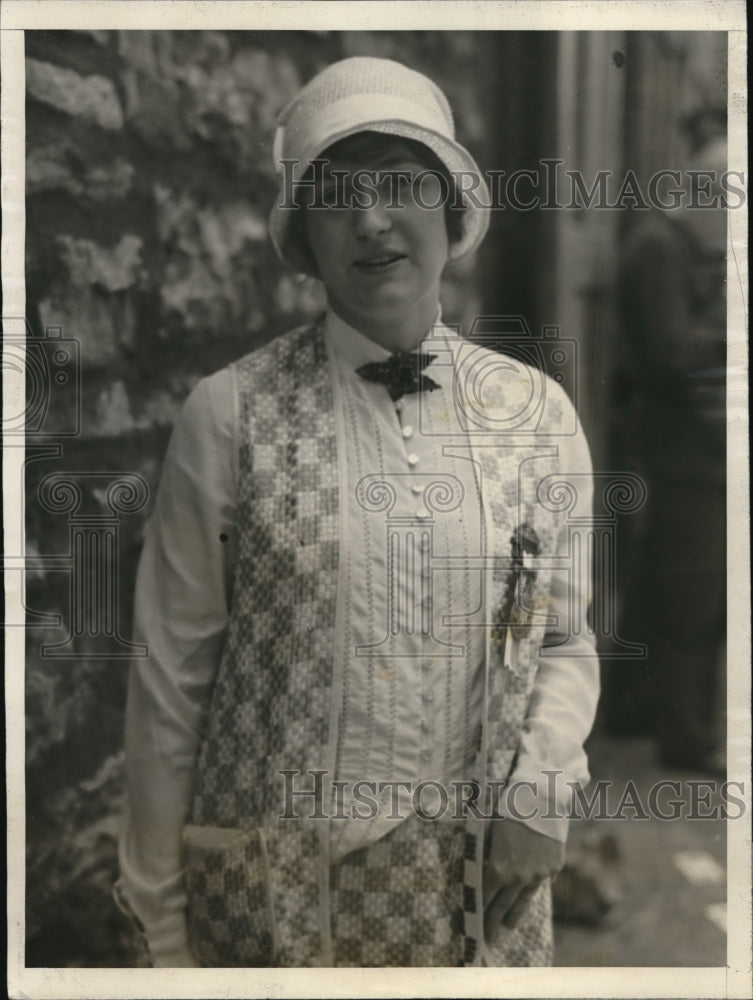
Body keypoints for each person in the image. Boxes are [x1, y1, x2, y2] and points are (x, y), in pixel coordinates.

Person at [116, 56, 599, 968]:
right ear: (302, 236)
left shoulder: (535, 413)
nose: (371, 220)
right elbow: (168, 690)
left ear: (451, 210)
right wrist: (163, 932)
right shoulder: (229, 413)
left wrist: (541, 786)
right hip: (276, 908)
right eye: (336, 194)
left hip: (474, 904)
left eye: (399, 187)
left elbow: (563, 641)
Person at [611, 127, 726, 773]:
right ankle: (685, 741)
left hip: (695, 449)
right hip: (683, 453)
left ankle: (634, 712)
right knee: (692, 595)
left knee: (670, 585)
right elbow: (671, 356)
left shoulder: (678, 247)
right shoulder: (657, 248)